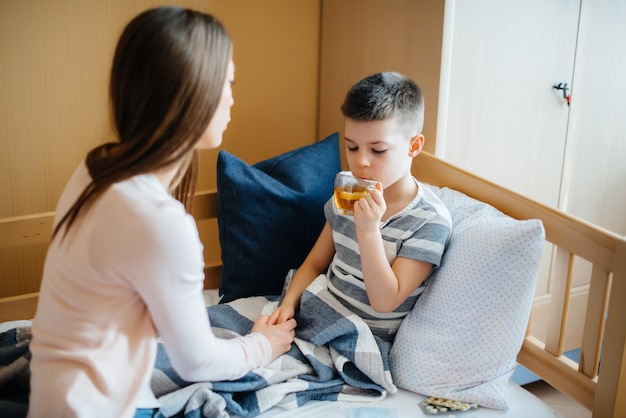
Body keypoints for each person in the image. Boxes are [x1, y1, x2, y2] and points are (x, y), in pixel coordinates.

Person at [27, 6, 296, 418]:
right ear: (191, 93)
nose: (232, 96)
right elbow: (197, 362)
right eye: (228, 81)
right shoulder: (158, 222)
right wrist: (261, 345)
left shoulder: (97, 168)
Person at [269, 72, 451, 343]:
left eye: (377, 150)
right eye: (352, 147)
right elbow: (315, 262)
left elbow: (385, 301)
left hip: (365, 338)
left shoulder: (428, 221)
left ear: (414, 145)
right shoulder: (348, 194)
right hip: (321, 310)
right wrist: (288, 304)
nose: (361, 162)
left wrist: (368, 231)